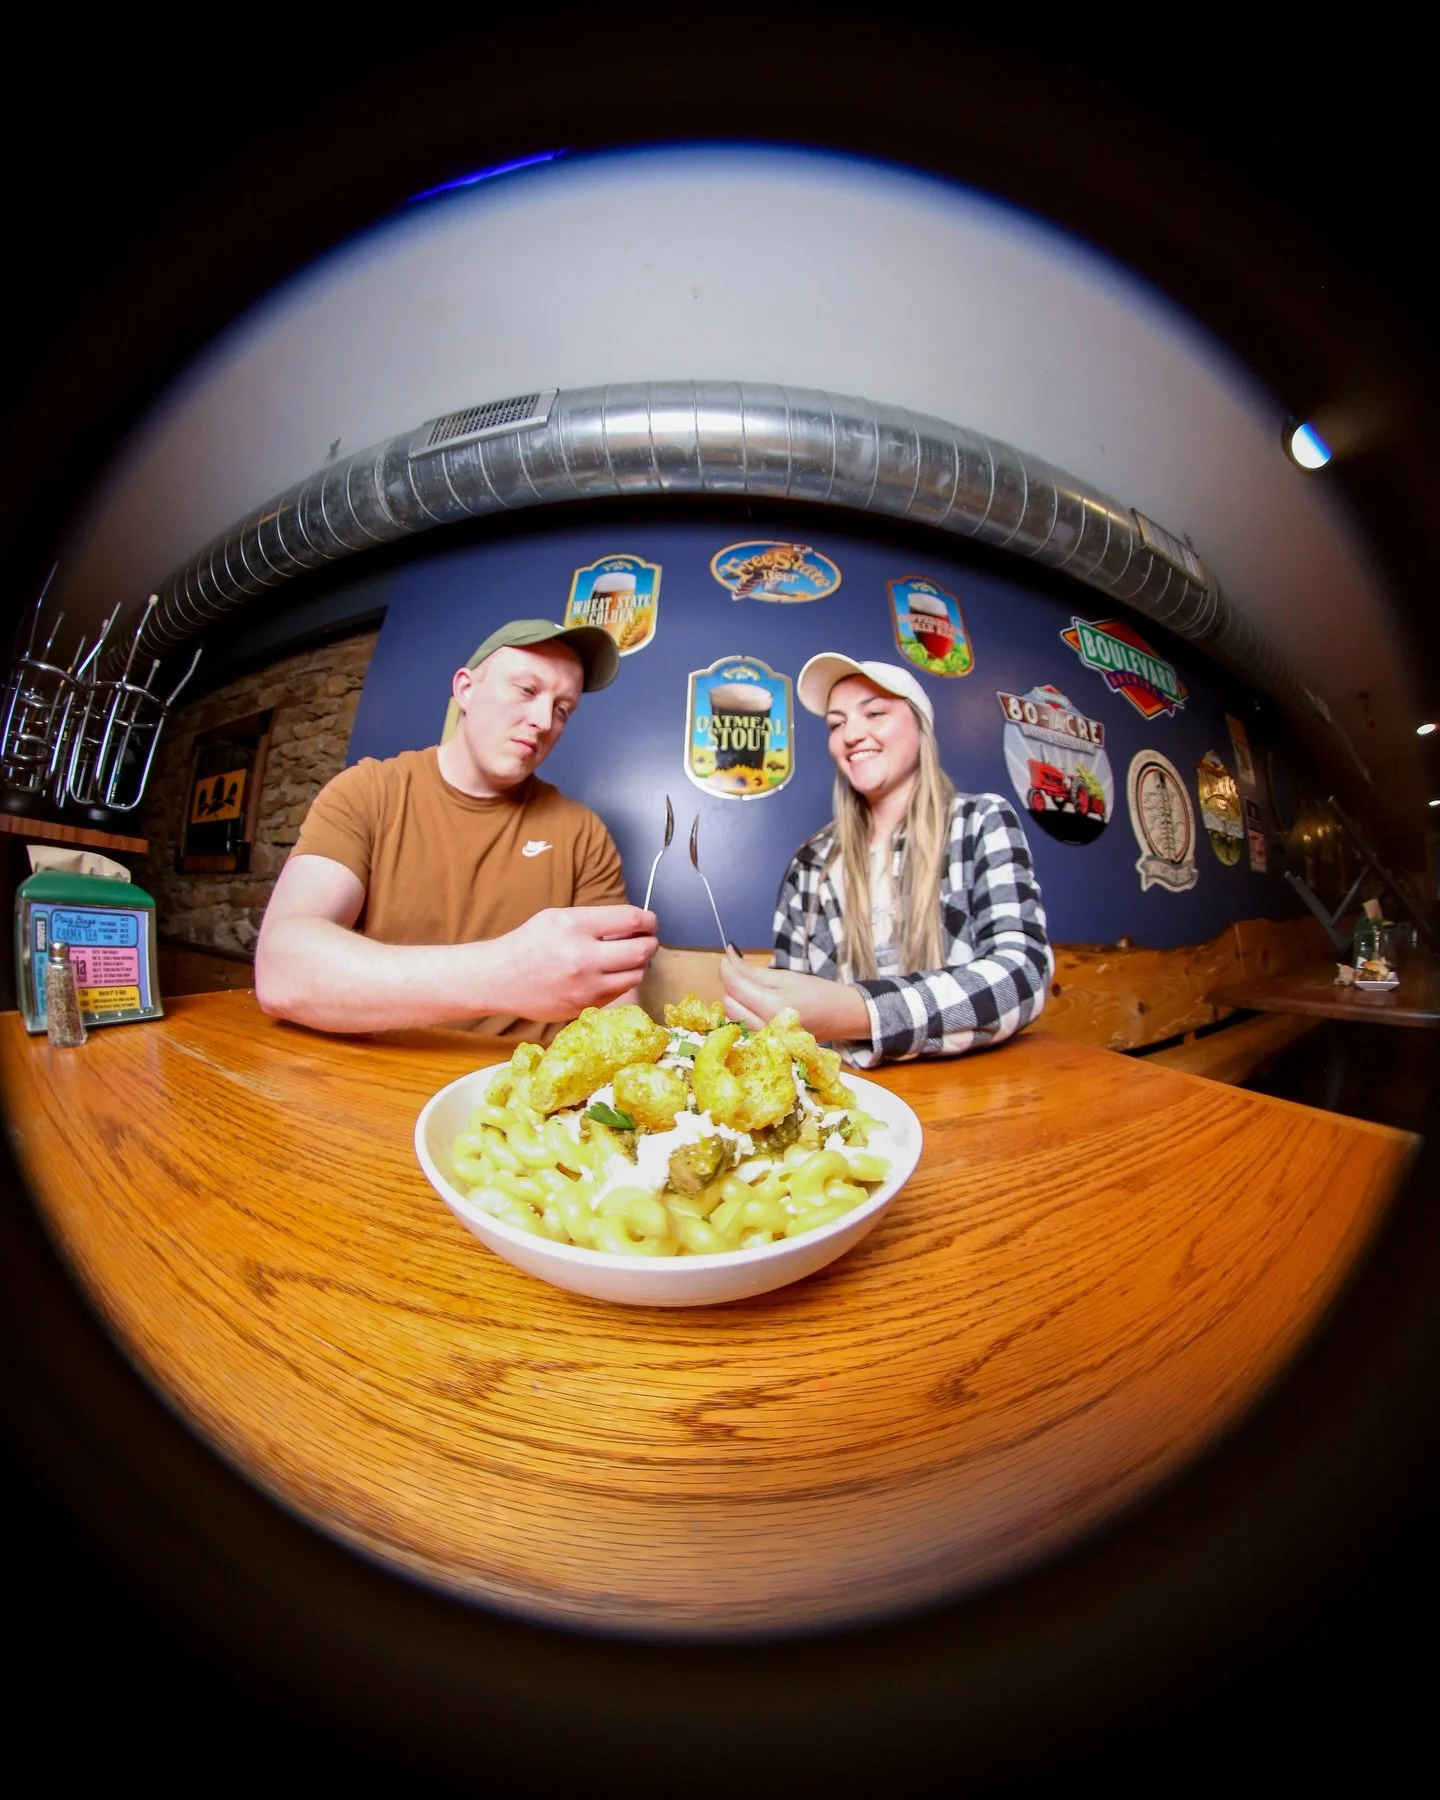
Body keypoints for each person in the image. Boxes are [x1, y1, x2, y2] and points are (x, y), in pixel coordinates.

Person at [254, 618, 658, 1037]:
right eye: (527, 690)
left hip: (525, 1075)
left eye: (562, 710)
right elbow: (283, 972)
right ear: (466, 689)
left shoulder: (583, 833)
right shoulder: (368, 791)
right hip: (382, 1064)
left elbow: (617, 1010)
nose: (543, 720)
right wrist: (501, 973)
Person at [719, 653, 1052, 1065]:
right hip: (854, 1093)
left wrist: (854, 1011)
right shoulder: (810, 864)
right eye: (836, 724)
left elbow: (1023, 973)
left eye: (874, 713)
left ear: (921, 725)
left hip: (969, 1084)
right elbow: (791, 1021)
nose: (851, 734)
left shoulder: (980, 822)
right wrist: (762, 1003)